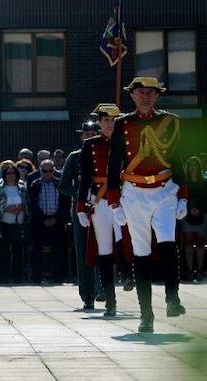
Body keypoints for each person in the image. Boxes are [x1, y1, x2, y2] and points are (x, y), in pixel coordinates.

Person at [107, 77, 188, 333]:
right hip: (134, 193)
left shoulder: (171, 121)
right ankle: (146, 315)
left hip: (164, 190)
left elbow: (177, 158)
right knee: (141, 251)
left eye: (150, 92)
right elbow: (114, 163)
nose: (145, 96)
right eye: (140, 92)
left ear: (157, 96)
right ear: (132, 96)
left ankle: (172, 298)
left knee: (167, 242)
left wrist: (183, 194)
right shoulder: (122, 124)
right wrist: (114, 201)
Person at [76, 104, 124, 316]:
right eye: (106, 120)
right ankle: (110, 300)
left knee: (127, 243)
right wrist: (80, 206)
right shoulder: (90, 145)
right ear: (99, 122)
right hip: (100, 198)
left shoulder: (127, 142)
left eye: (114, 120)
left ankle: (129, 275)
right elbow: (85, 178)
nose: (110, 123)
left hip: (125, 199)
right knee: (105, 250)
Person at [61, 119, 106, 309]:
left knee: (105, 249)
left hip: (102, 206)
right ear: (82, 136)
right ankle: (87, 294)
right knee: (83, 251)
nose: (89, 137)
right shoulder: (74, 157)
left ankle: (104, 288)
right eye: (86, 134)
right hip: (81, 208)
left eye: (93, 134)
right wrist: (81, 194)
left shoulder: (106, 153)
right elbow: (63, 185)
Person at [0, 160, 29, 284]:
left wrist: (21, 207)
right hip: (4, 223)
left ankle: (17, 277)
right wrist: (6, 209)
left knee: (18, 251)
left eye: (13, 173)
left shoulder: (22, 187)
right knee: (4, 251)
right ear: (4, 175)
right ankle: (3, 277)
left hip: (18, 223)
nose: (10, 175)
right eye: (8, 173)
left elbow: (27, 203)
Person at [180, 156, 207, 282]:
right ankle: (189, 271)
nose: (193, 168)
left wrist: (200, 209)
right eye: (191, 165)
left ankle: (199, 271)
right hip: (187, 215)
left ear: (199, 168)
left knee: (200, 242)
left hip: (202, 215)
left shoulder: (205, 182)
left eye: (195, 165)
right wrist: (189, 209)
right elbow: (181, 198)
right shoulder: (184, 182)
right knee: (188, 242)